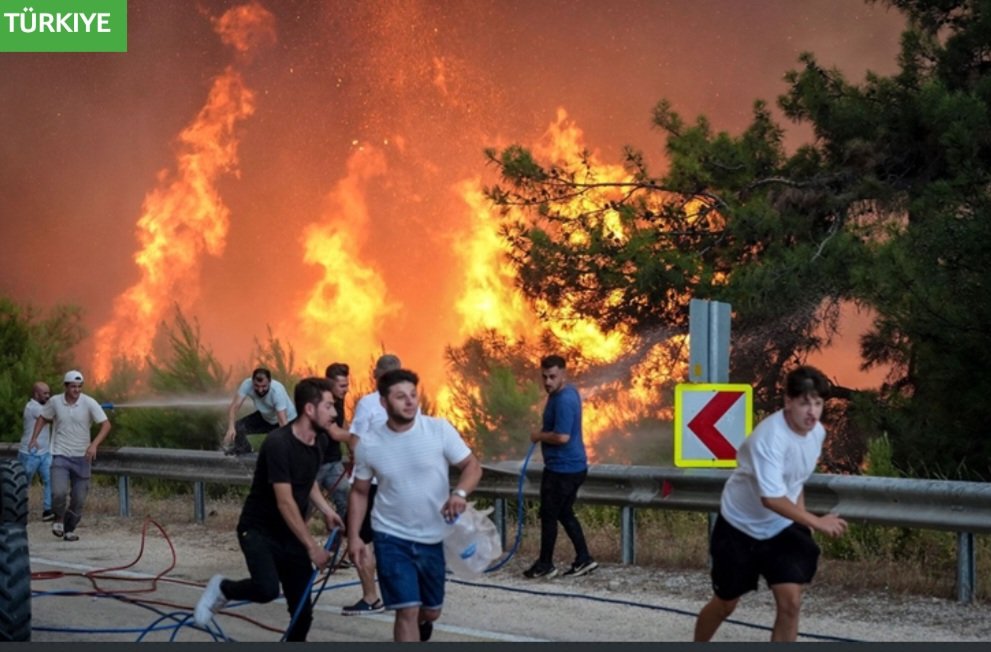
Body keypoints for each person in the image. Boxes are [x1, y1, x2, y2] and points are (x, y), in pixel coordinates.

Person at [693, 365, 849, 642]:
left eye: (818, 403)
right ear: (788, 401)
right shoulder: (769, 438)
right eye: (804, 403)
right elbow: (771, 498)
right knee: (726, 603)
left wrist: (802, 522)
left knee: (791, 603)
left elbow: (795, 480)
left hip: (781, 526)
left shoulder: (817, 433)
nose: (812, 412)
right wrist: (815, 521)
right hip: (740, 526)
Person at [194, 377, 346, 641]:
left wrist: (326, 510)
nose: (335, 413)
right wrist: (312, 547)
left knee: (302, 614)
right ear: (310, 409)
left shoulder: (319, 442)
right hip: (259, 530)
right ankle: (223, 588)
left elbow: (308, 480)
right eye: (329, 406)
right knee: (266, 589)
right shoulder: (278, 443)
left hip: (290, 534)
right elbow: (285, 501)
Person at [347, 368, 482, 642]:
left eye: (412, 394)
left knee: (430, 611)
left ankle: (424, 621)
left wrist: (459, 494)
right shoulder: (369, 444)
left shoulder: (438, 429)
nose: (410, 401)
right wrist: (354, 537)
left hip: (432, 537)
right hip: (390, 536)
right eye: (400, 396)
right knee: (405, 609)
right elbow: (359, 492)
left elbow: (472, 466)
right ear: (384, 402)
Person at [338, 353, 402, 616]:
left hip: (371, 484)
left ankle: (371, 598)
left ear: (376, 376)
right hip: (397, 485)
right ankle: (401, 596)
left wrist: (356, 461)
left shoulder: (368, 403)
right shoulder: (409, 402)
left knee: (361, 540)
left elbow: (355, 440)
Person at [523, 354, 597, 579]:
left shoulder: (563, 400)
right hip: (570, 467)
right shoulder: (565, 393)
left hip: (562, 470)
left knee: (548, 515)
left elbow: (562, 437)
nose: (547, 382)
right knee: (563, 513)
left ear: (563, 374)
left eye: (552, 377)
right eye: (544, 377)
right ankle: (584, 559)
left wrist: (538, 436)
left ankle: (546, 564)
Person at [28, 370, 111, 542]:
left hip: (82, 457)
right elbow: (42, 418)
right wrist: (34, 438)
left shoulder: (89, 402)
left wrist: (94, 445)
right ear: (65, 387)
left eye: (79, 387)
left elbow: (106, 425)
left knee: (79, 498)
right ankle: (58, 519)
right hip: (61, 455)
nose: (77, 390)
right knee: (58, 492)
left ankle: (69, 529)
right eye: (73, 387)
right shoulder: (55, 402)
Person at [223, 367, 297, 455]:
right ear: (252, 381)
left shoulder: (277, 391)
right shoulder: (247, 384)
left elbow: (283, 422)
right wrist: (231, 428)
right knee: (238, 427)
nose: (260, 390)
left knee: (278, 446)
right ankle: (244, 448)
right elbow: (233, 408)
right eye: (256, 386)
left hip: (287, 421)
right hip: (267, 418)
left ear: (270, 382)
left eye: (264, 386)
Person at [315, 362, 352, 516]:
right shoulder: (321, 402)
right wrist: (363, 438)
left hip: (334, 462)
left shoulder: (339, 398)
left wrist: (352, 448)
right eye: (342, 386)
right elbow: (335, 433)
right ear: (329, 383)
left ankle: (340, 529)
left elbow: (342, 423)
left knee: (346, 503)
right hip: (315, 464)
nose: (346, 389)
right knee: (306, 506)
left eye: (347, 385)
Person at [19, 381, 54, 521]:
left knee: (49, 481)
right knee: (23, 483)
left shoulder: (43, 407)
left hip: (45, 452)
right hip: (29, 453)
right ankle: (18, 511)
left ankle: (48, 510)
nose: (48, 396)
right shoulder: (33, 407)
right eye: (44, 393)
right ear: (36, 394)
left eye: (48, 393)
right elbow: (50, 417)